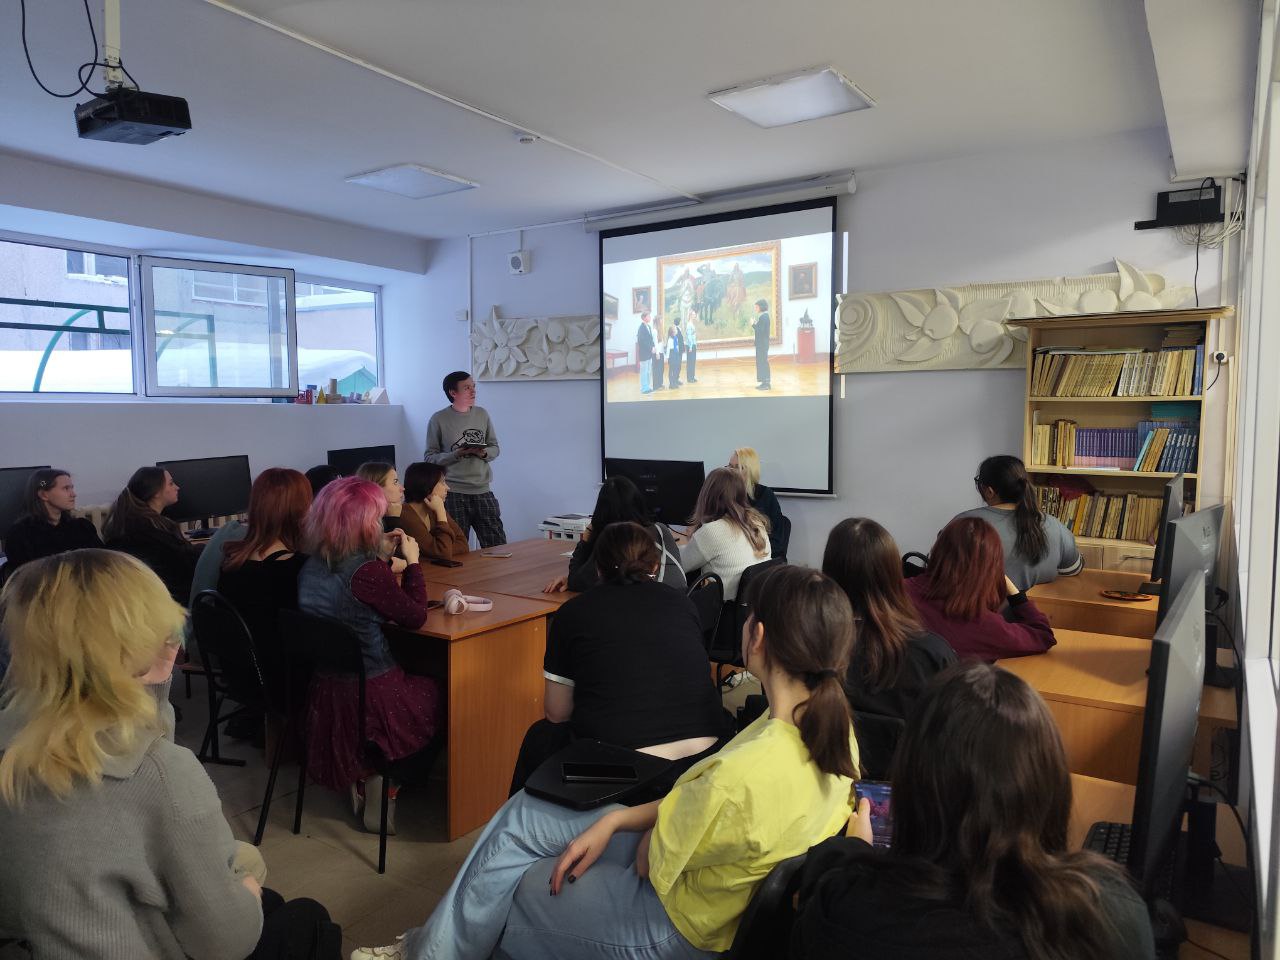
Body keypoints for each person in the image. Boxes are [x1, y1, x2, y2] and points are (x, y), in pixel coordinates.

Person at [351, 565, 860, 960]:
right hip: (706, 883)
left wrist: (625, 827)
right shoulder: (831, 736)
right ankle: (428, 949)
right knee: (525, 817)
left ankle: (431, 950)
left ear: (759, 636)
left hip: (674, 925)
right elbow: (697, 809)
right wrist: (615, 819)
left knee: (514, 884)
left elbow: (650, 859)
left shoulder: (742, 774)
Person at [0, 550, 339, 960]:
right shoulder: (163, 775)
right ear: (137, 641)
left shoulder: (14, 744)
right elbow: (227, 944)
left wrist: (147, 673)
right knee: (306, 917)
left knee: (268, 899)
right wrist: (246, 892)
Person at [791, 660, 1154, 960]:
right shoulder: (1107, 918)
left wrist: (856, 849)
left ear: (911, 783)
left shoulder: (844, 911)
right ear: (1049, 788)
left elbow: (821, 878)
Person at [511, 522, 727, 794]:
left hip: (623, 768)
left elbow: (557, 714)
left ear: (598, 568)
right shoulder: (682, 603)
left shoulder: (573, 613)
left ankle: (523, 818)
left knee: (541, 736)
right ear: (655, 565)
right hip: (706, 756)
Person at [296, 477, 441, 833]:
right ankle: (388, 779)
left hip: (328, 689)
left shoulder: (309, 567)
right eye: (375, 517)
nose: (379, 523)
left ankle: (365, 774)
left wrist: (379, 556)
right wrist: (414, 564)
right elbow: (415, 616)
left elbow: (353, 599)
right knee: (443, 691)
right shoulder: (368, 573)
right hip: (375, 691)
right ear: (361, 523)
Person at [821, 518, 956, 777]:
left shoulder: (808, 646)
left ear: (829, 571)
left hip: (826, 784)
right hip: (911, 788)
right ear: (894, 574)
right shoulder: (930, 653)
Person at [217, 468, 313, 704]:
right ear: (298, 512)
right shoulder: (299, 569)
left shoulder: (232, 563)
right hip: (284, 683)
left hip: (242, 676)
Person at [906, 517, 1055, 661]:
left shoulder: (897, 592)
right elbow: (1042, 636)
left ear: (937, 550)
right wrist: (1016, 595)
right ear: (992, 568)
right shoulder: (983, 624)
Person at [958, 455, 1084, 588]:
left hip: (981, 602)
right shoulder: (1055, 525)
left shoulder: (964, 524)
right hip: (1035, 602)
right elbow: (1073, 569)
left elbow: (944, 573)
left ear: (989, 491)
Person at [544, 475, 684, 594]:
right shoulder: (661, 529)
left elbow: (576, 581)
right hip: (678, 601)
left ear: (602, 511)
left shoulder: (614, 542)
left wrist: (586, 538)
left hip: (650, 607)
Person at [424, 371, 507, 548]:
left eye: (473, 386)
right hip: (452, 492)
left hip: (482, 490)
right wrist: (457, 454)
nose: (473, 391)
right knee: (456, 548)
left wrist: (482, 453)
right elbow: (430, 458)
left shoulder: (482, 414)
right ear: (453, 392)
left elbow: (494, 447)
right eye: (467, 387)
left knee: (498, 545)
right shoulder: (438, 419)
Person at [103, 466, 200, 604]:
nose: (177, 487)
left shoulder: (131, 523)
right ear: (156, 493)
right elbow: (187, 563)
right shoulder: (153, 532)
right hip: (175, 601)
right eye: (171, 483)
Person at [681, 466, 770, 601]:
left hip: (719, 608)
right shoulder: (757, 523)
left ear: (707, 495)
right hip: (751, 605)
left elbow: (680, 565)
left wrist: (677, 544)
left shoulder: (712, 531)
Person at [0, 469, 102, 579]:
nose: (73, 494)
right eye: (66, 488)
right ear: (44, 494)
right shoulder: (21, 535)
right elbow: (26, 579)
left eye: (72, 488)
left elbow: (102, 561)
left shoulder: (83, 527)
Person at [399, 461, 468, 560]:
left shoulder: (434, 508)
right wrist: (441, 514)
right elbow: (443, 552)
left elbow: (463, 544)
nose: (448, 488)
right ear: (427, 485)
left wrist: (442, 551)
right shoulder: (406, 515)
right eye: (443, 482)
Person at [729, 447, 785, 558]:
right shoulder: (725, 495)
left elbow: (777, 541)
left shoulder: (766, 495)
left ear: (750, 471)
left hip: (761, 556)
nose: (731, 472)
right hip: (734, 555)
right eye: (730, 466)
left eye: (738, 467)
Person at [357, 461, 406, 535]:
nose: (402, 488)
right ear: (376, 488)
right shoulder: (363, 527)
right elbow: (395, 542)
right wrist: (393, 519)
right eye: (395, 482)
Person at [752, 298, 772, 390]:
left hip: (762, 344)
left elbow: (760, 331)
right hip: (762, 344)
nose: (755, 309)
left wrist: (753, 324)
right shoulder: (764, 317)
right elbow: (761, 329)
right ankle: (764, 382)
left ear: (761, 307)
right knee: (761, 362)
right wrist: (756, 324)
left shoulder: (763, 317)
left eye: (756, 307)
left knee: (762, 362)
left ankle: (766, 384)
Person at [636, 312, 655, 395]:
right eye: (648, 316)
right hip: (644, 354)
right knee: (644, 371)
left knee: (648, 371)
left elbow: (651, 339)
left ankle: (648, 386)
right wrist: (650, 348)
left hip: (649, 353)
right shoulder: (641, 328)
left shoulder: (649, 327)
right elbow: (642, 341)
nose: (650, 317)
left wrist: (653, 347)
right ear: (644, 318)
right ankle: (644, 388)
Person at [666, 322, 683, 388]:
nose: (676, 330)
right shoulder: (670, 340)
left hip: (676, 355)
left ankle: (675, 382)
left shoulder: (675, 338)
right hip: (672, 355)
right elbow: (668, 349)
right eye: (675, 329)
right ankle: (671, 384)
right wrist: (667, 357)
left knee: (676, 369)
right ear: (673, 332)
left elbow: (677, 346)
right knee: (672, 370)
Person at [683, 310, 698, 383]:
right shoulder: (689, 325)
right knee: (690, 362)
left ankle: (692, 376)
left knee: (693, 362)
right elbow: (689, 336)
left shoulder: (691, 324)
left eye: (695, 314)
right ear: (690, 315)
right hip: (690, 346)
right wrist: (691, 346)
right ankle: (689, 378)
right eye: (693, 314)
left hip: (693, 345)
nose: (695, 316)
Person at [652, 319, 666, 391]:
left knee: (661, 369)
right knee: (657, 370)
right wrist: (657, 353)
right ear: (657, 323)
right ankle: (656, 386)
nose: (661, 323)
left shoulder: (659, 331)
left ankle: (660, 384)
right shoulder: (654, 331)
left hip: (661, 352)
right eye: (660, 321)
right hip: (657, 353)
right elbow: (655, 343)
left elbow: (661, 343)